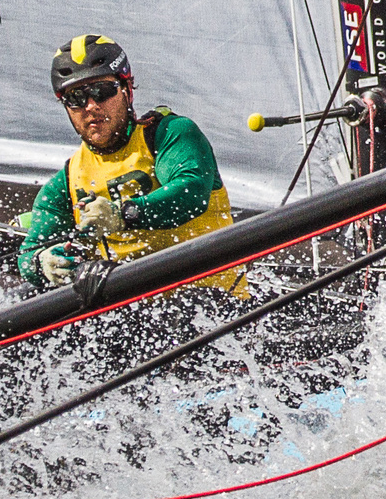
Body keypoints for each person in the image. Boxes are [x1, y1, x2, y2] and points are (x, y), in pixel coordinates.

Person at [17, 35, 250, 303]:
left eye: (102, 90)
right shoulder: (65, 181)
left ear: (127, 90)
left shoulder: (170, 134)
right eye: (76, 98)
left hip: (210, 301)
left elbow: (192, 190)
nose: (91, 106)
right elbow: (29, 254)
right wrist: (43, 262)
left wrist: (122, 214)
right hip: (132, 314)